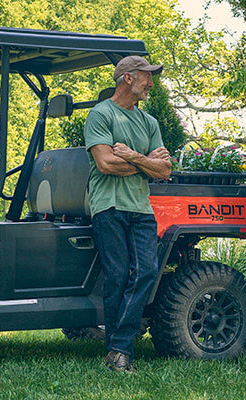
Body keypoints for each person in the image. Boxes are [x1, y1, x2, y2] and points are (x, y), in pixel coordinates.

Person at [83, 55, 173, 373]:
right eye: (147, 77)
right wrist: (146, 161)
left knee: (147, 272)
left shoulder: (149, 122)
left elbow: (164, 170)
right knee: (118, 277)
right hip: (108, 206)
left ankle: (118, 347)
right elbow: (106, 164)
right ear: (127, 79)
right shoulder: (100, 114)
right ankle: (119, 353)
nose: (151, 82)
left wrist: (133, 156)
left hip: (140, 208)